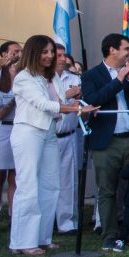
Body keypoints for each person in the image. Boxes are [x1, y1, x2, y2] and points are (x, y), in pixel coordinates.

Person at [9, 35, 97, 255]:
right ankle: (22, 242)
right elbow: (43, 104)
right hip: (28, 132)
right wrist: (77, 109)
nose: (50, 56)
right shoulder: (24, 77)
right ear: (33, 53)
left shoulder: (51, 77)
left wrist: (78, 104)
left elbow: (61, 103)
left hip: (49, 131)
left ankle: (43, 237)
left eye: (51, 52)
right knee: (28, 185)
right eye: (45, 52)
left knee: (51, 185)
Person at [81, 33, 129, 252]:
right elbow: (93, 100)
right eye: (127, 48)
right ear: (112, 50)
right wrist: (118, 81)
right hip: (106, 142)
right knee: (107, 190)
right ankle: (110, 234)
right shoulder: (92, 75)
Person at [52, 42, 82, 235]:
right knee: (46, 179)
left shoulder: (74, 78)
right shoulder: (42, 78)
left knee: (68, 180)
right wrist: (66, 95)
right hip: (48, 136)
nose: (63, 59)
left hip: (69, 134)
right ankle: (47, 220)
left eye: (64, 55)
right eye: (58, 55)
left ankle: (67, 222)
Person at [0, 45, 20, 236]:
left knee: (8, 174)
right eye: (13, 52)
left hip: (4, 123)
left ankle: (10, 217)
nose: (18, 54)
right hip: (0, 124)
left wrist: (6, 69)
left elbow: (5, 87)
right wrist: (0, 64)